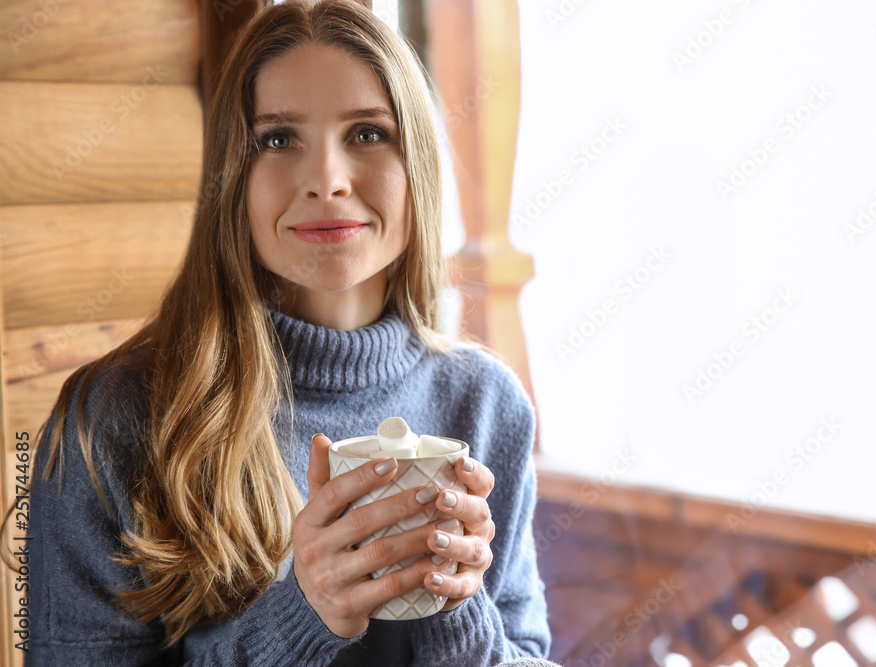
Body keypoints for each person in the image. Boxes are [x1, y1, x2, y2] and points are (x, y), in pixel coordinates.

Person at [21, 1, 553, 664]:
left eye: (366, 134)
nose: (326, 181)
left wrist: (454, 605)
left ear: (416, 164)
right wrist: (302, 617)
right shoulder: (109, 419)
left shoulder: (488, 402)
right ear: (232, 179)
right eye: (277, 139)